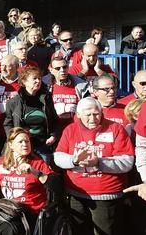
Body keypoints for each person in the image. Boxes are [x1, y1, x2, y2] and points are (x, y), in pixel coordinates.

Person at [54, 97, 134, 235]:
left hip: (106, 195)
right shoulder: (70, 130)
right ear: (78, 115)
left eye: (96, 114)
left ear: (101, 112)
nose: (93, 118)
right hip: (76, 194)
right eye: (88, 115)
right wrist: (74, 160)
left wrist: (99, 163)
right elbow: (58, 157)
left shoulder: (115, 129)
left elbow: (127, 162)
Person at [0, 127, 53, 234]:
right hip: (7, 209)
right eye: (20, 142)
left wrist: (36, 172)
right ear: (11, 145)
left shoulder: (37, 164)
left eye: (27, 141)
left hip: (28, 212)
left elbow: (56, 185)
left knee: (7, 229)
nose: (25, 144)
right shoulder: (0, 163)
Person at [4, 66, 58, 163]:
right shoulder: (13, 103)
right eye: (34, 78)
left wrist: (53, 135)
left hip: (43, 144)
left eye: (39, 78)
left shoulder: (46, 99)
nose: (38, 81)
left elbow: (54, 119)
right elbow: (8, 124)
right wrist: (13, 140)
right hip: (22, 146)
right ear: (24, 82)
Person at [42, 56, 89, 130]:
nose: (62, 70)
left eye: (65, 67)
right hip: (53, 129)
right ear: (51, 70)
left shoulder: (81, 85)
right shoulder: (44, 86)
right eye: (58, 68)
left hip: (75, 129)